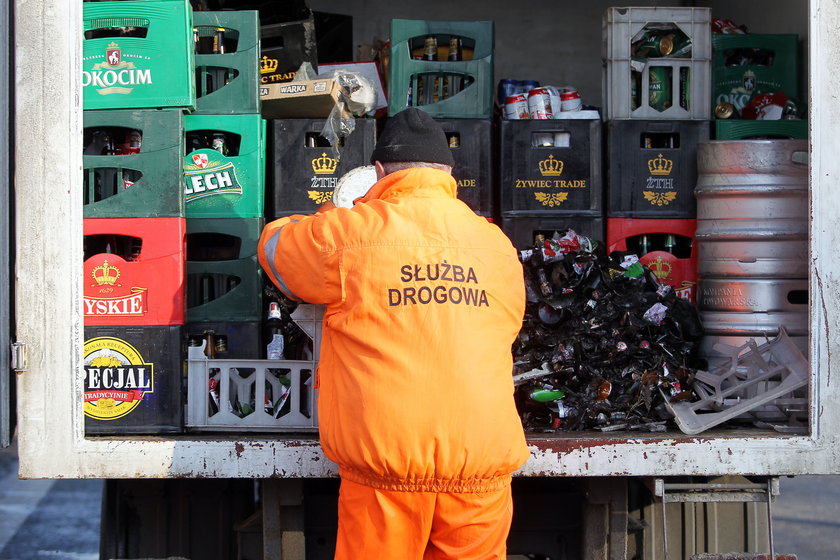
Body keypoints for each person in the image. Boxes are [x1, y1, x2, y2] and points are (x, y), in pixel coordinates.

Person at [258, 108, 529, 559]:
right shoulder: (496, 244)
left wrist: (334, 211)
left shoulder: (347, 234)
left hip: (387, 469)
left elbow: (276, 253)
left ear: (378, 172)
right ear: (447, 173)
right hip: (483, 462)